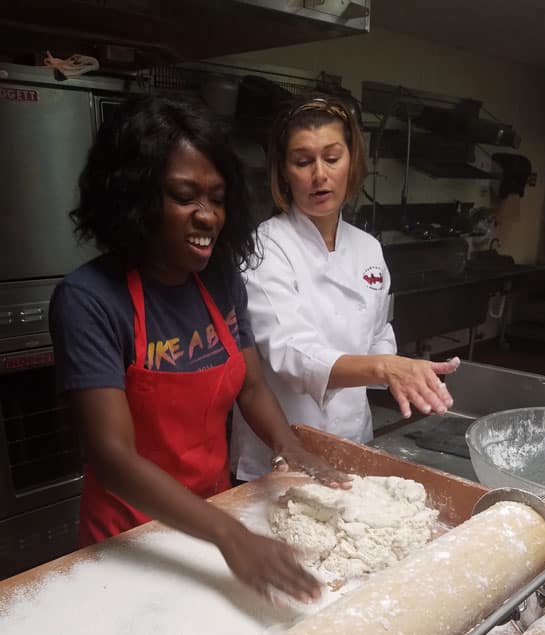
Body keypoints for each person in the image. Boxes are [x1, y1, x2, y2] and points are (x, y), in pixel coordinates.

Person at [50, 94, 342, 603]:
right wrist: (231, 537)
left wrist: (288, 445)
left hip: (214, 517)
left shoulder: (220, 280)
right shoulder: (90, 299)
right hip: (130, 538)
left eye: (218, 197)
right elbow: (112, 457)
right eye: (185, 196)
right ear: (136, 201)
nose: (208, 216)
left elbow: (250, 386)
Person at [231, 95, 460, 481]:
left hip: (354, 439)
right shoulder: (265, 247)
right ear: (284, 173)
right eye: (302, 162)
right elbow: (292, 354)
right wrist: (386, 368)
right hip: (281, 453)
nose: (319, 174)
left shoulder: (368, 248)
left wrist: (395, 371)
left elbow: (378, 333)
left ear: (352, 162)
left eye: (332, 158)